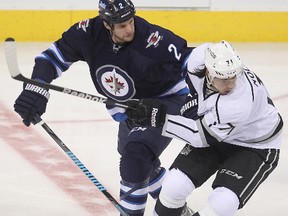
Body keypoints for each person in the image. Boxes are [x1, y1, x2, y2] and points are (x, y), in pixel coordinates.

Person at [13, 0, 195, 215]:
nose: (130, 29)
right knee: (140, 160)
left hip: (166, 101)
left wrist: (197, 103)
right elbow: (51, 58)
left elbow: (191, 62)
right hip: (131, 107)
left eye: (131, 22)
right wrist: (37, 89)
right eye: (122, 26)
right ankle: (176, 209)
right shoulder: (87, 34)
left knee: (135, 156)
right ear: (107, 24)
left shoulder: (153, 39)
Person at [131, 40, 283, 216]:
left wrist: (159, 119)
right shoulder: (199, 58)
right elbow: (174, 63)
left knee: (223, 203)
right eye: (224, 78)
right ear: (209, 72)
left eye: (234, 76)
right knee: (173, 185)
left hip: (255, 145)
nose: (231, 84)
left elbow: (199, 136)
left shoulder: (238, 103)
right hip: (217, 130)